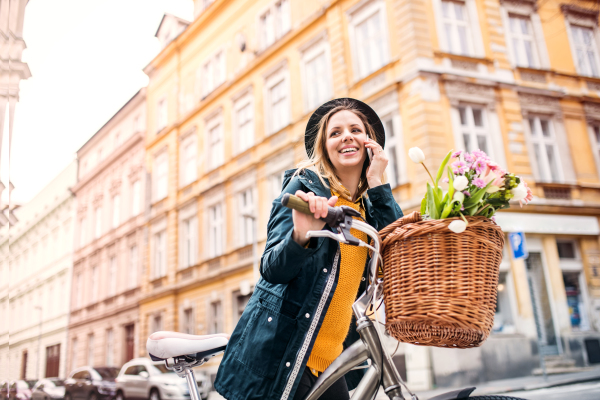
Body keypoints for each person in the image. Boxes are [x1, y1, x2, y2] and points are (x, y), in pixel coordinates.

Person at [214, 98, 403, 400]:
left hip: (331, 360)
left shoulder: (369, 208)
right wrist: (301, 236)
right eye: (335, 132)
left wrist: (377, 182)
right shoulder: (304, 189)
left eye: (355, 129)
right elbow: (272, 269)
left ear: (369, 143)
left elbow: (396, 256)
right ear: (325, 147)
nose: (346, 136)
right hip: (285, 352)